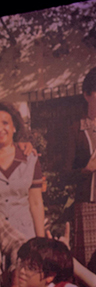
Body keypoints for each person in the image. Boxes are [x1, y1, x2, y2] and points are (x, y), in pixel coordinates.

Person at [0, 102, 45, 238]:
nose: (0, 129)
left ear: (14, 127)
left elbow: (36, 203)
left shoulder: (30, 159)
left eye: (5, 123)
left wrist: (41, 241)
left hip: (24, 237)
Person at [63, 66, 96, 271]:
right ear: (87, 95)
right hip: (88, 206)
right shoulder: (75, 129)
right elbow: (64, 174)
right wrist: (87, 169)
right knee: (89, 267)